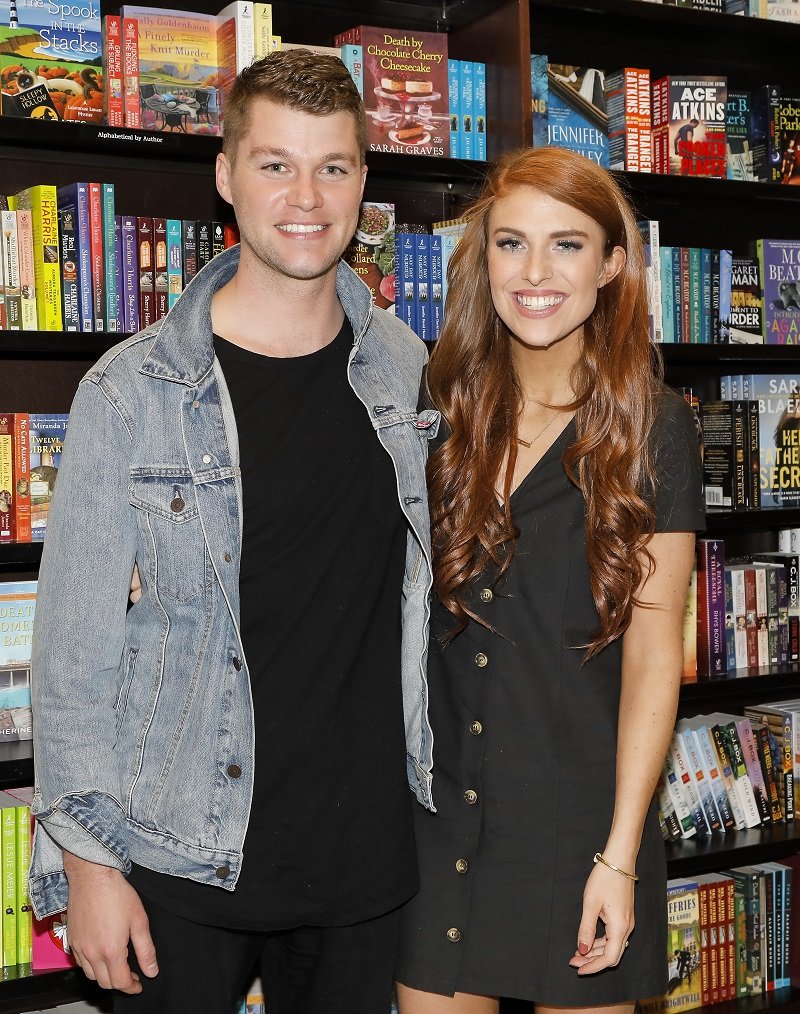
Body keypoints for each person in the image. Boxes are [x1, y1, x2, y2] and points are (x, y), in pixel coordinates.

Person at [29, 49, 438, 1014]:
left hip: (364, 858)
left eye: (333, 167)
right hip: (179, 852)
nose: (307, 196)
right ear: (225, 176)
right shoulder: (129, 393)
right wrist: (87, 865)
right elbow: (73, 656)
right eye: (275, 164)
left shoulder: (407, 368)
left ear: (364, 183)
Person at [394, 146, 704, 1013]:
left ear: (611, 266)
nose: (535, 273)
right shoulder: (434, 408)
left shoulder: (656, 428)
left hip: (578, 836)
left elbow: (652, 659)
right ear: (480, 259)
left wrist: (619, 855)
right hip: (437, 822)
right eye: (510, 244)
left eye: (567, 245)